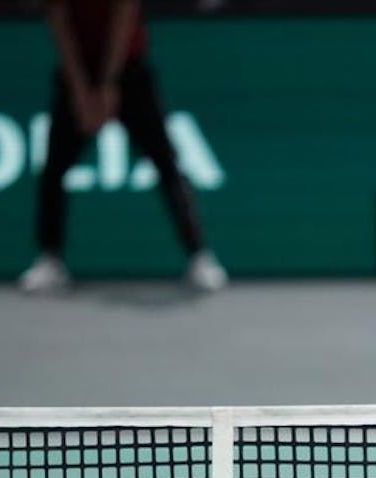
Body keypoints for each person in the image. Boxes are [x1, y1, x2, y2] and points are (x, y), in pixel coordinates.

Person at [19, 0, 227, 293]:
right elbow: (58, 18)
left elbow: (124, 13)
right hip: (77, 70)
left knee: (165, 162)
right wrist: (80, 89)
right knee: (54, 169)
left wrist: (108, 84)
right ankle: (49, 259)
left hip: (127, 68)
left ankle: (199, 256)